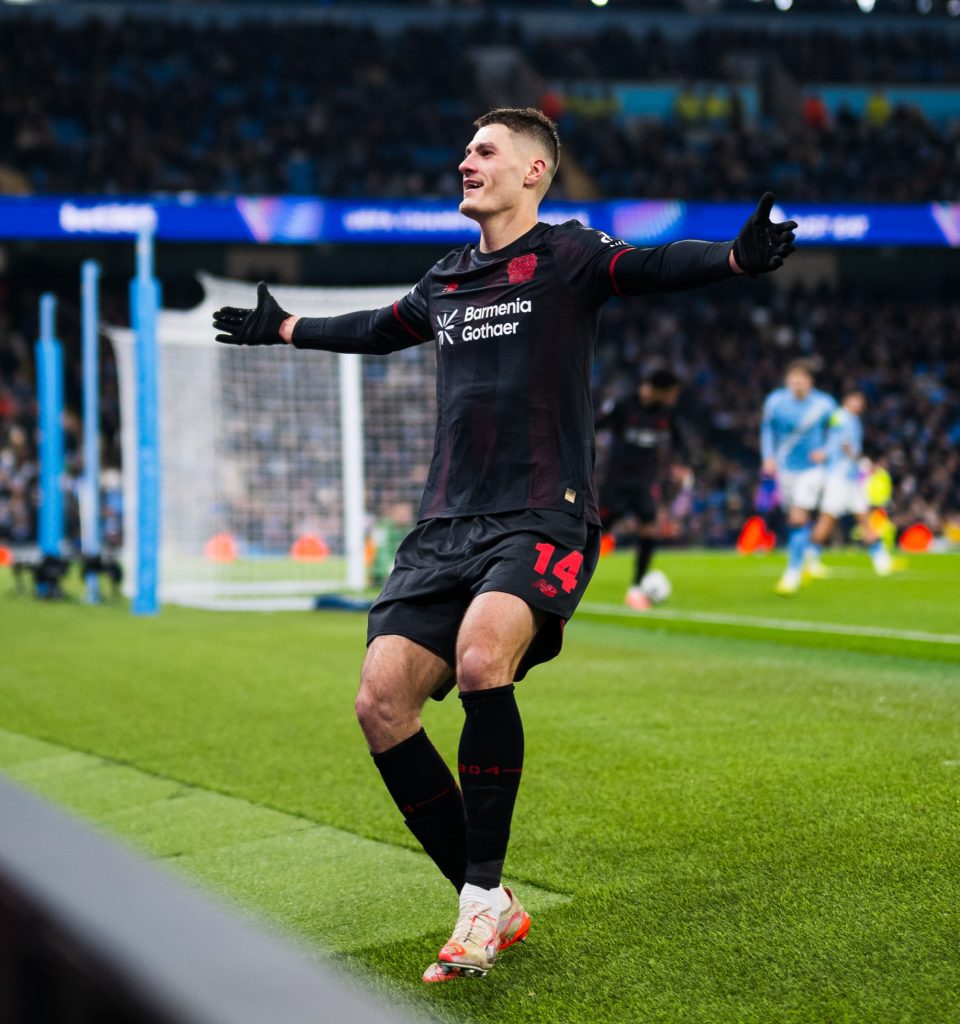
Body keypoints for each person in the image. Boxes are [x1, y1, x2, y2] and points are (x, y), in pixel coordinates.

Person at [213, 107, 797, 983]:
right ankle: (486, 898)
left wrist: (736, 258)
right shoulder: (447, 278)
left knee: (484, 658)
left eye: (484, 150)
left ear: (533, 171)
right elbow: (378, 327)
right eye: (465, 149)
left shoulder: (568, 255)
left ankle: (479, 901)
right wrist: (285, 326)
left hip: (539, 515)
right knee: (380, 703)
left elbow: (648, 267)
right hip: (443, 526)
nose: (466, 160)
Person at [596, 367, 688, 611]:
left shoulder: (666, 413)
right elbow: (596, 424)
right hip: (617, 483)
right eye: (671, 393)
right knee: (596, 533)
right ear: (659, 390)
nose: (674, 398)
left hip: (644, 483)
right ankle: (568, 577)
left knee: (649, 528)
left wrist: (682, 465)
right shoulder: (625, 406)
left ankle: (636, 588)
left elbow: (680, 441)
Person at [760, 360, 836, 596]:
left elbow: (838, 431)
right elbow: (767, 430)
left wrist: (827, 450)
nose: (796, 384)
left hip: (812, 469)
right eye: (792, 380)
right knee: (795, 519)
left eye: (801, 380)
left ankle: (792, 573)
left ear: (810, 381)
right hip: (785, 468)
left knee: (797, 516)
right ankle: (809, 554)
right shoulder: (775, 402)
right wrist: (768, 456)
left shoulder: (825, 404)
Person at [804, 390, 893, 577]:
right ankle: (810, 558)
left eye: (861, 401)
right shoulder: (841, 417)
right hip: (838, 476)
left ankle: (880, 558)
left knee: (863, 515)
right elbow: (843, 445)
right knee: (828, 518)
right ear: (846, 400)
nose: (859, 404)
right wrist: (863, 463)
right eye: (855, 400)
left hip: (850, 477)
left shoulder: (853, 419)